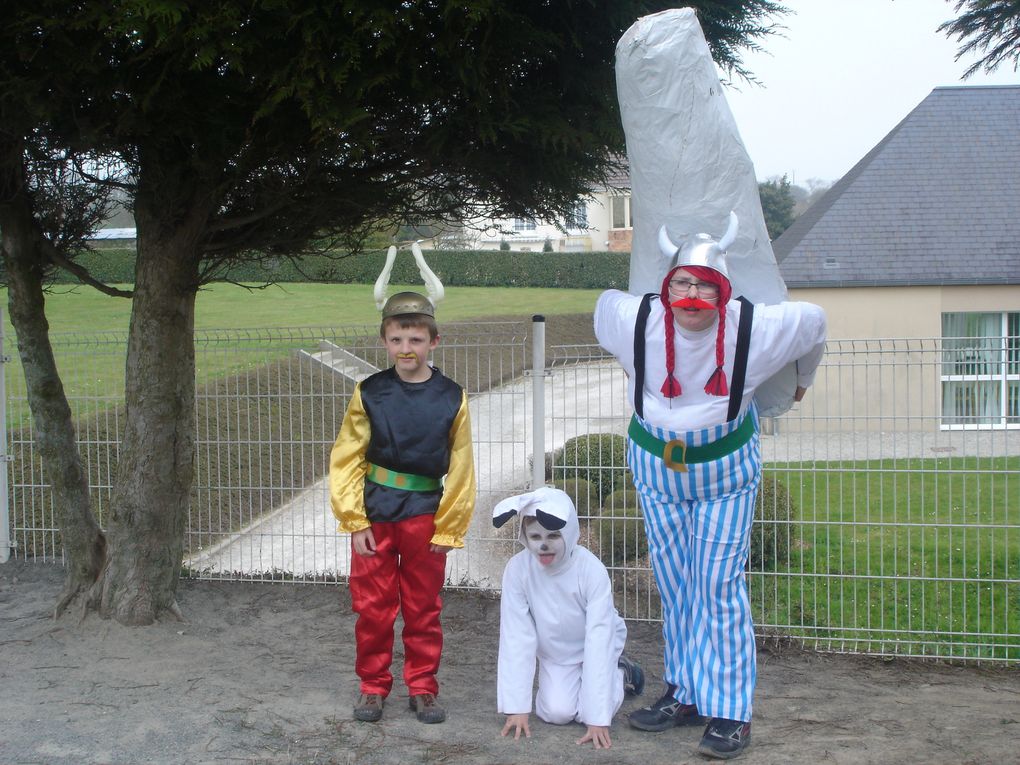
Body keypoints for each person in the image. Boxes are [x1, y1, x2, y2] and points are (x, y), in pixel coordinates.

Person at [593, 214, 827, 760]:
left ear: (725, 288)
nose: (692, 295)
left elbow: (814, 323)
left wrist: (801, 382)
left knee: (718, 586)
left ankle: (731, 711)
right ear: (665, 286)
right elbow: (605, 303)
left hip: (725, 474)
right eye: (682, 282)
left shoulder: (758, 327)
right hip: (656, 469)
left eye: (705, 284)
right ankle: (687, 691)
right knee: (676, 585)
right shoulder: (632, 318)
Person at [329, 290, 476, 725]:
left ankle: (423, 687)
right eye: (397, 340)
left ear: (434, 341)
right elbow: (347, 457)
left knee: (422, 608)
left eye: (415, 339)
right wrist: (354, 521)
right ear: (385, 342)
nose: (406, 349)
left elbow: (462, 465)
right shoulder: (370, 392)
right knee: (373, 607)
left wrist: (447, 528)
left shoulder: (452, 397)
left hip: (425, 518)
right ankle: (372, 687)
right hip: (375, 515)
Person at [492, 486, 645, 750]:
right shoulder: (517, 570)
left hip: (595, 645)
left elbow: (599, 636)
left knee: (591, 713)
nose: (543, 544)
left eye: (553, 535)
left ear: (570, 532)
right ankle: (581, 686)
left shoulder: (590, 569)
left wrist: (598, 717)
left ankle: (621, 670)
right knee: (556, 713)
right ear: (524, 537)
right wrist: (516, 706)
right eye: (535, 536)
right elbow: (516, 636)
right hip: (555, 653)